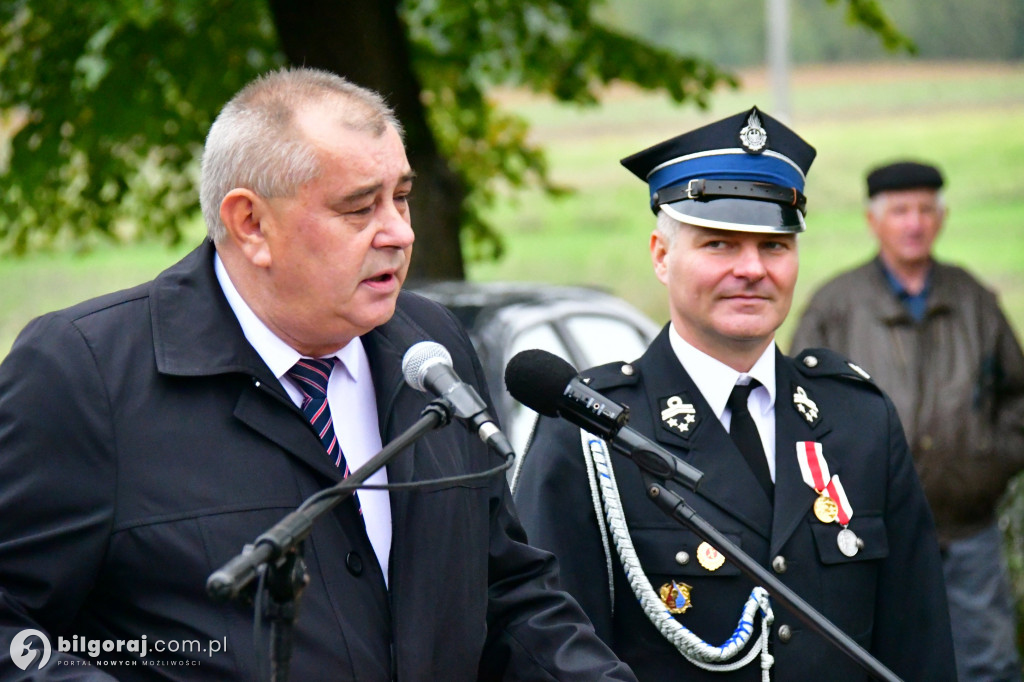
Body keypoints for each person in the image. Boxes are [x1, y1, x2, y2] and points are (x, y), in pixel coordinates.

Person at [0, 67, 636, 681]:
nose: (399, 232)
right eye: (359, 208)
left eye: (403, 197)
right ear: (251, 224)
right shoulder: (85, 373)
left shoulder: (432, 348)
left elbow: (504, 592)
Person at [513, 108, 957, 680]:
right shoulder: (592, 431)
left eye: (774, 246)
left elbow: (918, 643)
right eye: (720, 244)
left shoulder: (858, 419)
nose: (752, 269)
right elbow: (547, 648)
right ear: (661, 255)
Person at [790, 160, 1024, 682]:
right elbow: (797, 413)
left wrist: (991, 458)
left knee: (990, 665)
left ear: (941, 218)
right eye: (900, 211)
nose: (913, 223)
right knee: (883, 663)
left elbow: (1018, 395)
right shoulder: (836, 305)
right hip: (868, 533)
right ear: (874, 221)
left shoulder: (974, 300)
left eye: (924, 209)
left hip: (969, 530)